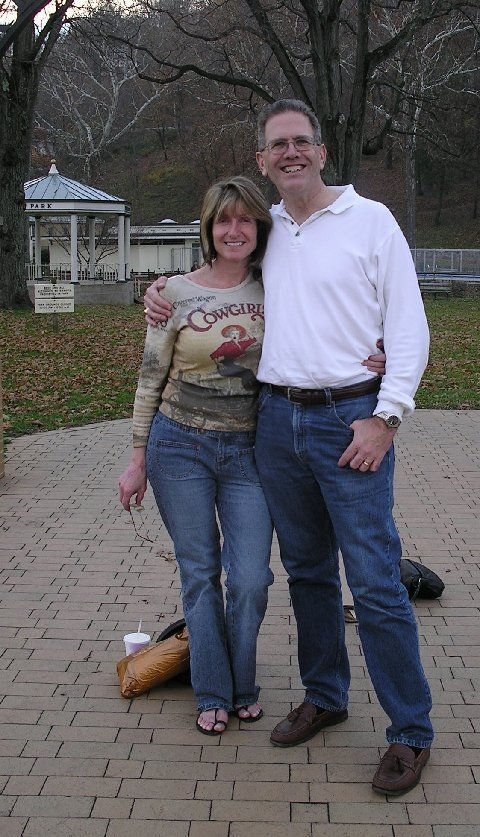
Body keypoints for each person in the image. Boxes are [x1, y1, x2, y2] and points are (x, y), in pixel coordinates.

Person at [143, 98, 433, 796]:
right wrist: (159, 293)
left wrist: (387, 416)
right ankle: (325, 695)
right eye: (279, 144)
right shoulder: (268, 231)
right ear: (262, 159)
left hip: (350, 420)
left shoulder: (371, 221)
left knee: (374, 579)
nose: (291, 152)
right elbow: (219, 272)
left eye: (302, 140)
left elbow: (410, 326)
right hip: (274, 422)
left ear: (322, 151)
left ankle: (411, 729)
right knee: (306, 572)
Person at [119, 176, 275, 735]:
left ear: (259, 227)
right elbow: (150, 377)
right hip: (178, 446)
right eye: (223, 220)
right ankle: (215, 690)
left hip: (249, 452)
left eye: (245, 219)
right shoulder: (175, 294)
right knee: (201, 573)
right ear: (208, 228)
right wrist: (137, 458)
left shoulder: (279, 286)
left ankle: (242, 679)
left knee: (251, 578)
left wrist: (378, 354)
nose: (234, 230)